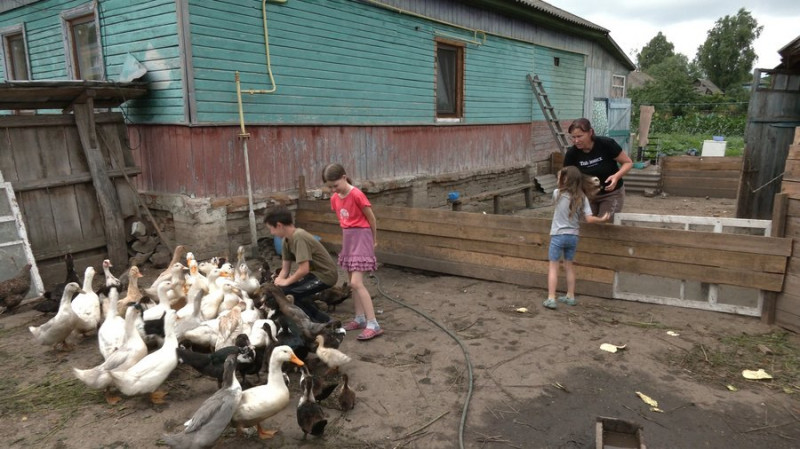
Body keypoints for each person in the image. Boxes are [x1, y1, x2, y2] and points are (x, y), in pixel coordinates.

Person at [322, 163, 383, 341]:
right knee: (351, 282)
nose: (334, 189)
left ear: (344, 177)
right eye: (330, 186)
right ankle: (359, 318)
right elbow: (343, 220)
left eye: (336, 185)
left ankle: (374, 324)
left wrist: (374, 239)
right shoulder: (335, 198)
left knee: (357, 282)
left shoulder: (356, 194)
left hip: (362, 236)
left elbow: (371, 218)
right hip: (348, 238)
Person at [543, 166, 610, 310]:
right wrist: (602, 218)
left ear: (565, 180)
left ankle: (551, 298)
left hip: (558, 235)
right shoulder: (583, 197)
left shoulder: (557, 193)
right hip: (573, 236)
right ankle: (570, 296)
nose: (557, 180)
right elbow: (590, 219)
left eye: (559, 177)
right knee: (569, 266)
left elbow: (558, 192)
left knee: (553, 267)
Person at [265, 206, 336, 323]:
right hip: (313, 274)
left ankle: (322, 322)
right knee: (283, 291)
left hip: (325, 275)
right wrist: (278, 283)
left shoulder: (299, 236)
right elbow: (285, 269)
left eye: (271, 229)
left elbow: (304, 269)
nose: (271, 233)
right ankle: (315, 319)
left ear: (279, 225)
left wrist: (286, 282)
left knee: (290, 293)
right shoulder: (285, 240)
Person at [563, 118, 633, 219]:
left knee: (605, 224)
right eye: (573, 137)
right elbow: (567, 177)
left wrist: (616, 176)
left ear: (590, 132)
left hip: (611, 194)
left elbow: (628, 162)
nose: (576, 141)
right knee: (586, 225)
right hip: (587, 196)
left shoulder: (606, 144)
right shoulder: (572, 154)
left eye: (579, 136)